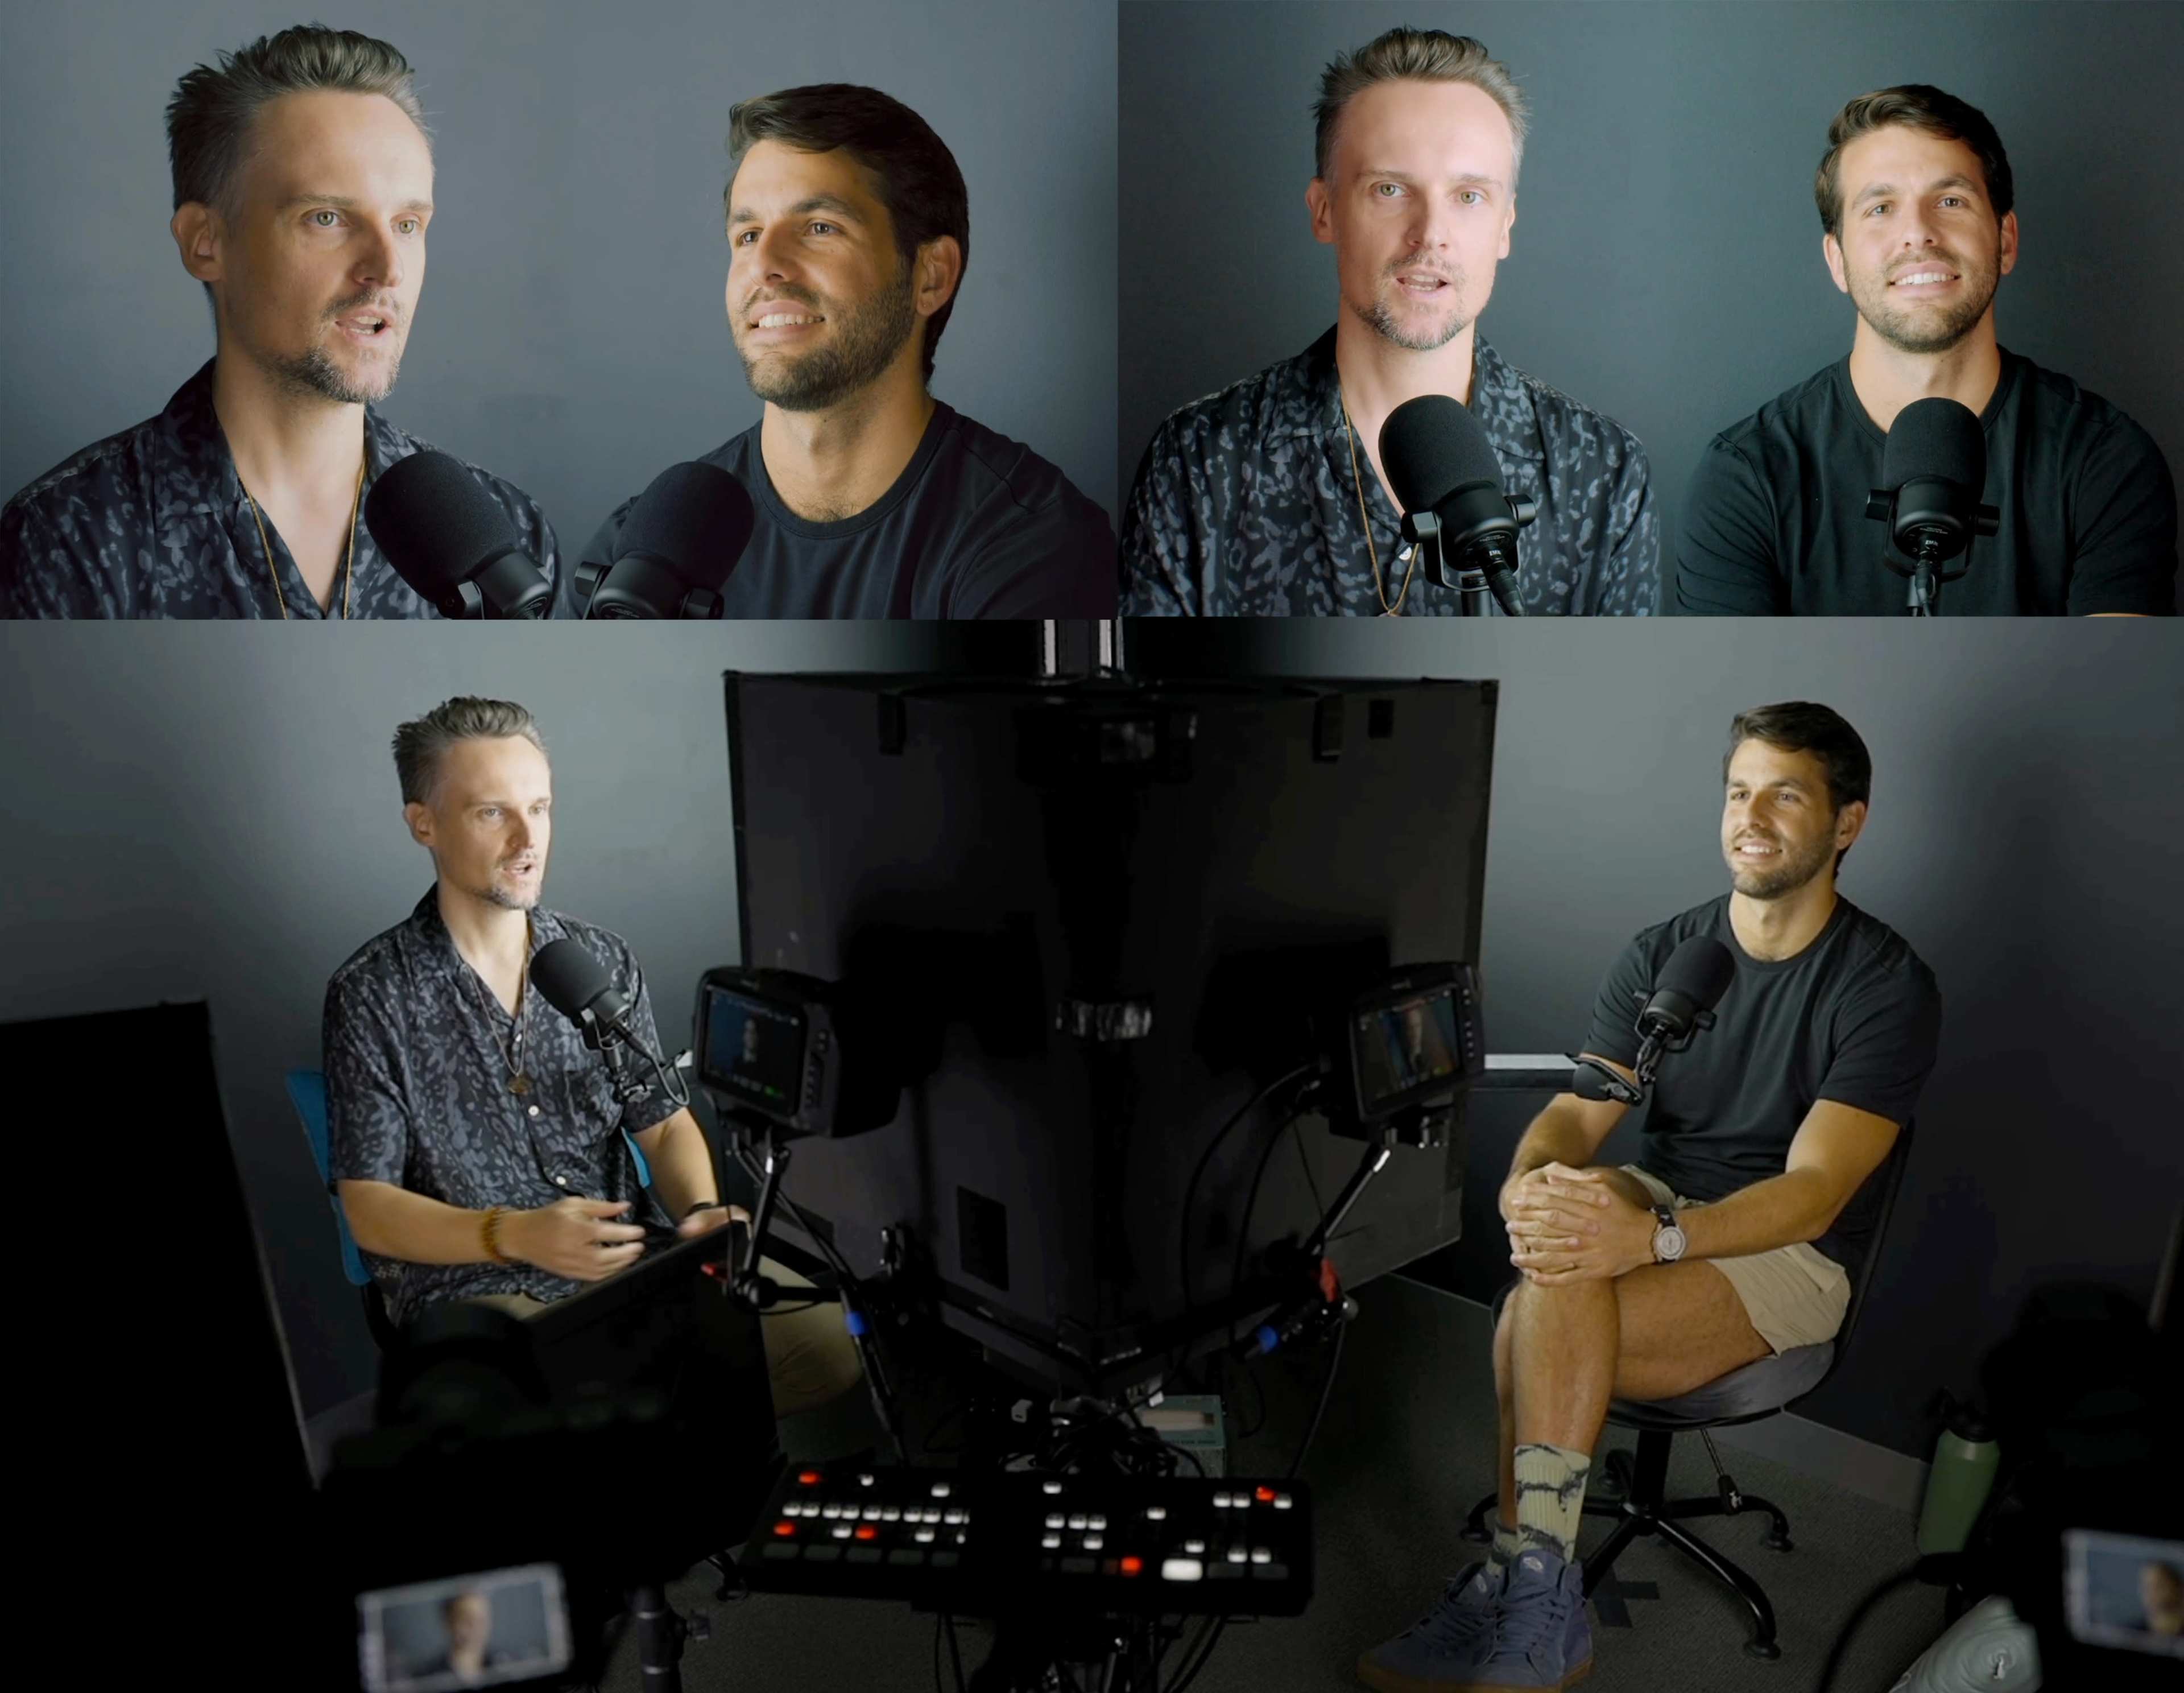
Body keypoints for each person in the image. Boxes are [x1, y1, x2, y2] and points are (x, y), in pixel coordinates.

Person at [1359, 703, 1942, 1692]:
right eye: (1737, 792)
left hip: (1787, 1251)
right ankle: (1536, 1594)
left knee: (1524, 1320)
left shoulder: (1884, 983)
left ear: (1847, 824)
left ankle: (1518, 1586)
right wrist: (1528, 1185)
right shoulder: (1671, 953)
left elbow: (1812, 1192)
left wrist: (1654, 1239)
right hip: (1658, 1199)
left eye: (1785, 795)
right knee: (1560, 1242)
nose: (1750, 816)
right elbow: (1579, 1116)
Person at [323, 697, 860, 1421]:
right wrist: (512, 1234)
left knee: (831, 1346)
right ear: (424, 823)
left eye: (540, 808)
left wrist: (698, 1209)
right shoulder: (371, 992)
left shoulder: (599, 960)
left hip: (633, 1269)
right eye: (492, 813)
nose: (527, 838)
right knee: (604, 1405)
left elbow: (664, 1124)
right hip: (474, 1292)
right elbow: (370, 1210)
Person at [0, 25, 560, 619]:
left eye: (407, 224)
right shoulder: (68, 538)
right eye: (326, 217)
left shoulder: (510, 537)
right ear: (205, 243)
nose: (387, 270)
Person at [1123, 27, 1656, 616]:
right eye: (1390, 188)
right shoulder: (1201, 461)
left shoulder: (1603, 473)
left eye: (1469, 196)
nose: (1430, 235)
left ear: (1506, 224)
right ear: (1325, 211)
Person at [576, 84, 1114, 618]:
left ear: (931, 277)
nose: (765, 265)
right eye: (747, 235)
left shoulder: (1028, 541)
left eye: (818, 227)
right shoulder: (642, 555)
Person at [1677, 85, 2176, 616]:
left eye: (1950, 201)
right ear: (1837, 260)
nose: (1918, 233)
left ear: (2005, 240)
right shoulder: (1746, 477)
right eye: (1881, 208)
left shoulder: (2104, 462)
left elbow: (2116, 692)